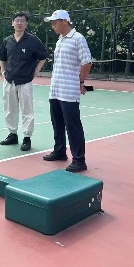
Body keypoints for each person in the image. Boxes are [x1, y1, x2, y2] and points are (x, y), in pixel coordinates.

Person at [43, 10, 92, 172]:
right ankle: (60, 151)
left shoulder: (78, 38)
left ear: (65, 21)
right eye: (52, 23)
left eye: (55, 23)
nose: (53, 26)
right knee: (57, 122)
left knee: (72, 125)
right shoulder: (60, 40)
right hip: (55, 90)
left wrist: (81, 81)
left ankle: (79, 160)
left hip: (69, 91)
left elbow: (87, 62)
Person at [0, 11, 48, 151]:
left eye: (22, 21)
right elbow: (2, 58)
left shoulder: (33, 40)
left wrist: (36, 72)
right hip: (9, 80)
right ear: (12, 23)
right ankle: (12, 134)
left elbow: (43, 56)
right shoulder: (7, 41)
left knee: (27, 110)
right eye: (17, 20)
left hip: (25, 80)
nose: (19, 23)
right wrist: (3, 71)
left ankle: (27, 138)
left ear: (26, 24)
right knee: (9, 109)